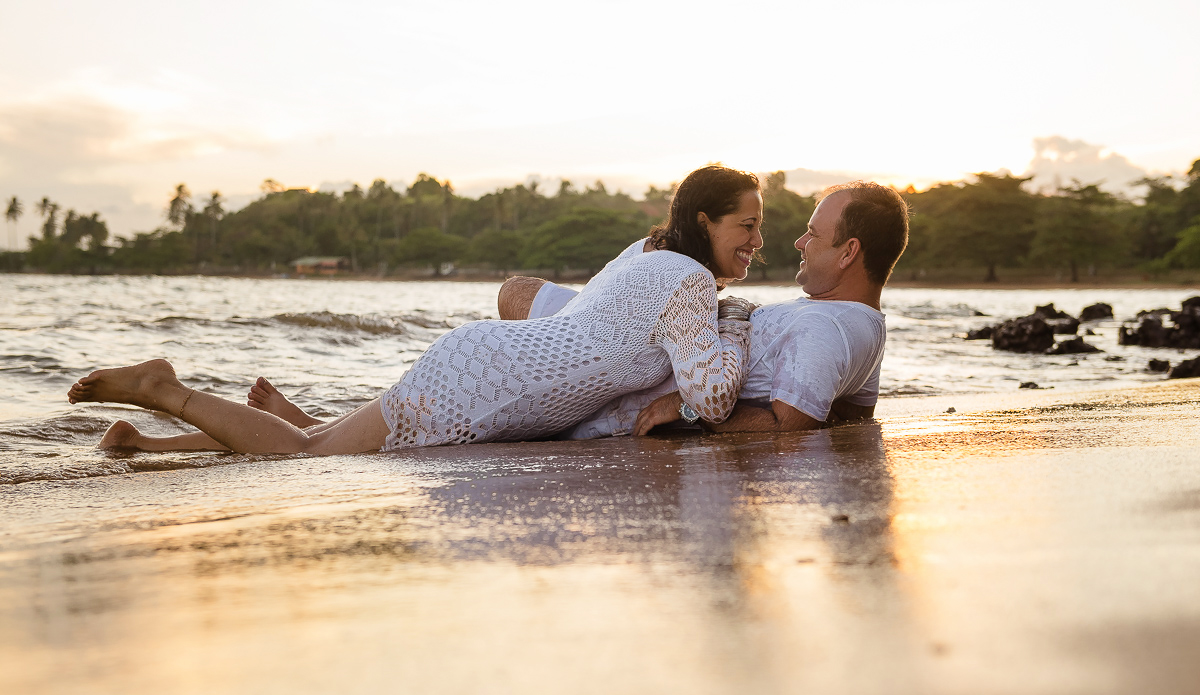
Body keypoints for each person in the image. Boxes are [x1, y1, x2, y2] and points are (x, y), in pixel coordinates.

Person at [70, 165, 763, 455]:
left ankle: (150, 444)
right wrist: (736, 328)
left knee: (331, 444)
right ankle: (167, 388)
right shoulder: (691, 285)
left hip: (485, 366)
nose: (757, 241)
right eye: (746, 226)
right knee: (311, 454)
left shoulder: (644, 256)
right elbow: (712, 392)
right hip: (485, 388)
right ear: (704, 221)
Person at [498, 181, 909, 439]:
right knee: (518, 292)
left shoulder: (823, 328)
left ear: (848, 253)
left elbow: (791, 428)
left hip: (620, 374)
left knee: (515, 306)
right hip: (659, 335)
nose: (800, 243)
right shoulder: (865, 325)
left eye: (813, 235)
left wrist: (687, 408)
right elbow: (852, 416)